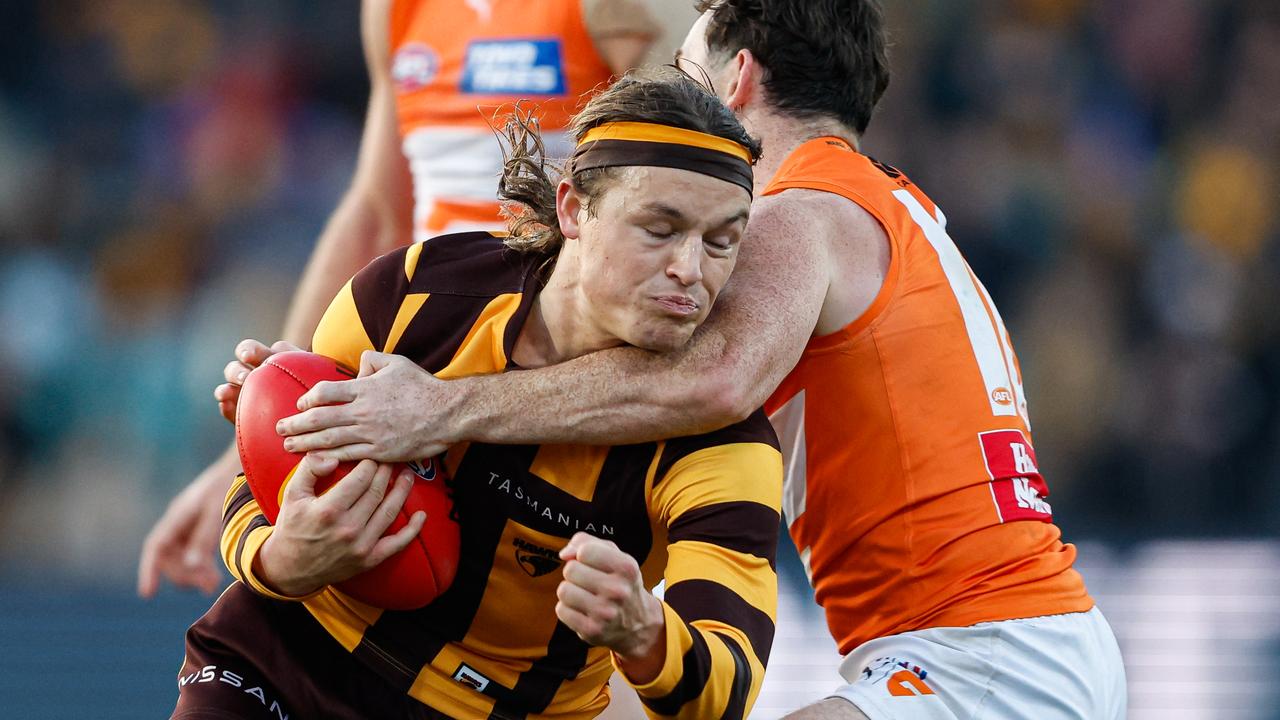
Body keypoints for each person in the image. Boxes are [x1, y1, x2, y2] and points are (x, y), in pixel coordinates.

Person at [265, 2, 1129, 718]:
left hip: (981, 652)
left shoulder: (800, 212)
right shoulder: (887, 205)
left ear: (740, 77)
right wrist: (313, 382)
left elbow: (710, 379)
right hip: (1011, 641)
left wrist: (437, 407)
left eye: (686, 69)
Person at [173, 68, 781, 720]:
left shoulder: (725, 444)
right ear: (575, 209)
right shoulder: (415, 293)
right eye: (660, 229)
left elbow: (730, 687)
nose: (691, 270)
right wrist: (281, 558)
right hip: (288, 655)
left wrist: (647, 635)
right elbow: (266, 483)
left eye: (722, 241)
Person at [138, 0, 680, 599]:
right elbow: (377, 215)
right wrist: (251, 439)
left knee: (563, 637)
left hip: (551, 372)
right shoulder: (395, 8)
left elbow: (684, 188)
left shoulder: (616, 8)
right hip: (424, 362)